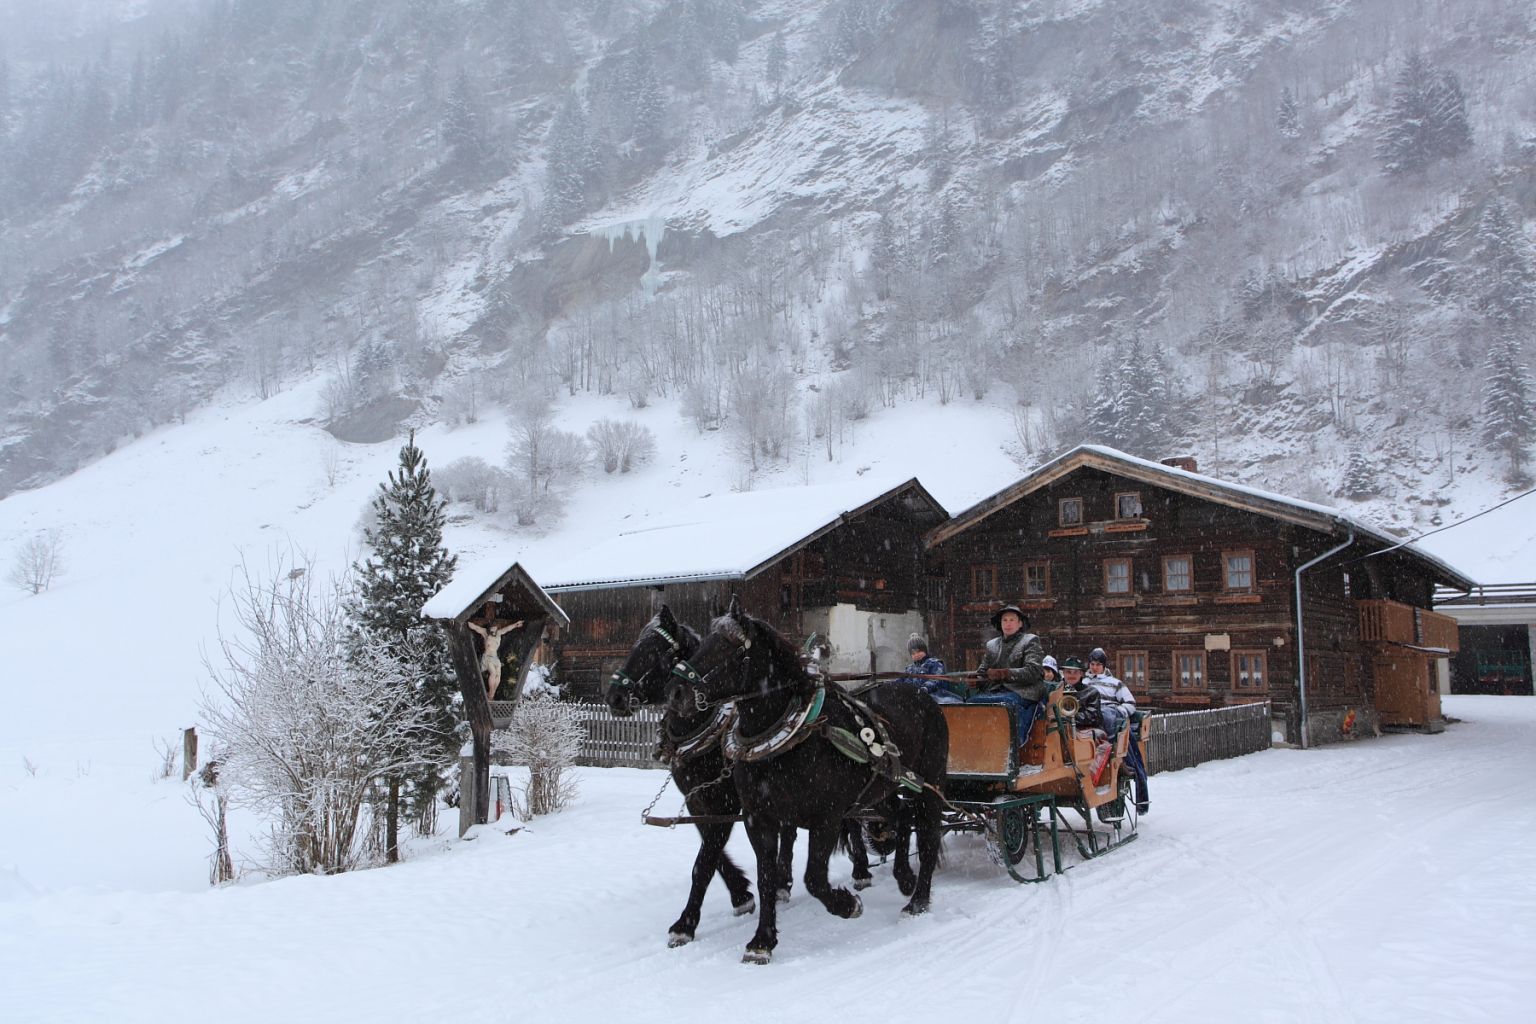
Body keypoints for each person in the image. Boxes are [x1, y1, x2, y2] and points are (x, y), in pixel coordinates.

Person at [970, 605, 1046, 746]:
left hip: (1023, 692)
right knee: (972, 703)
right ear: (1000, 623)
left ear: (1020, 623)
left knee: (1004, 703)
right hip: (995, 691)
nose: (1008, 623)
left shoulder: (1030, 641)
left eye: (1012, 620)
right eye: (1004, 620)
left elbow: (1033, 672)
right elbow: (983, 672)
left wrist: (1005, 674)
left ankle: (1010, 747)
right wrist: (977, 680)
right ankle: (977, 745)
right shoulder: (991, 645)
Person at [467, 608, 525, 700]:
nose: (493, 631)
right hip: (487, 658)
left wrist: (516, 625)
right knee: (493, 673)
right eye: (492, 629)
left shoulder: (499, 634)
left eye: (495, 629)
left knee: (498, 675)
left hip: (495, 657)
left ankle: (492, 693)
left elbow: (507, 629)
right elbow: (476, 628)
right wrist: (467, 622)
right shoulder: (485, 634)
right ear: (489, 629)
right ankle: (491, 693)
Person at [902, 633, 959, 703]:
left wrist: (925, 688)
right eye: (913, 653)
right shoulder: (909, 669)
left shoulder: (935, 663)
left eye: (918, 651)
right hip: (915, 699)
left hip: (937, 697)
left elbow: (936, 679)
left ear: (925, 651)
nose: (916, 655)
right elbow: (901, 681)